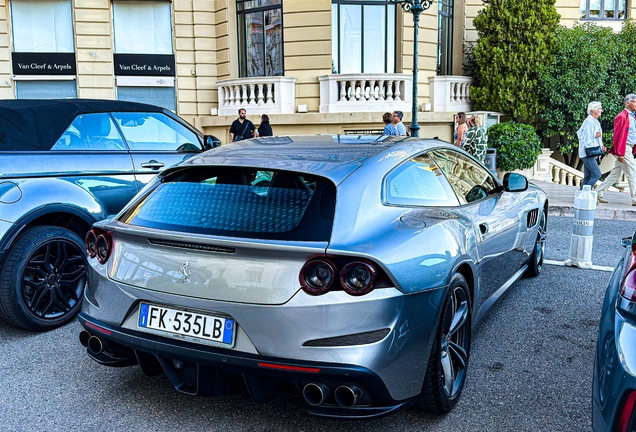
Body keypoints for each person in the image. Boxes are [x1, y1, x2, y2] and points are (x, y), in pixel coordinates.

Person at [597, 94, 636, 205]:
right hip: (624, 148)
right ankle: (635, 198)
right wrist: (620, 153)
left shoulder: (632, 117)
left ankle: (597, 193)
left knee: (616, 175)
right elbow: (617, 136)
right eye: (634, 101)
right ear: (627, 103)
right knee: (632, 172)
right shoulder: (621, 116)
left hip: (629, 147)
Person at [577, 101, 605, 190]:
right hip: (587, 152)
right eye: (599, 108)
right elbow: (585, 136)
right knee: (597, 174)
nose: (601, 110)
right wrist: (595, 135)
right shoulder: (589, 121)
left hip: (589, 152)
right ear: (593, 110)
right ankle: (586, 193)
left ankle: (581, 195)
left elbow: (597, 136)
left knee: (588, 176)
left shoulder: (595, 121)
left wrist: (601, 146)